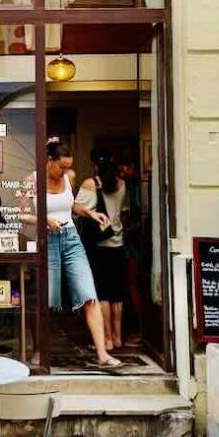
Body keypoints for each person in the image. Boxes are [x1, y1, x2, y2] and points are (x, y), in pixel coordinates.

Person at [24, 138, 119, 368]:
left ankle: (102, 354)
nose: (66, 171)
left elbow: (70, 205)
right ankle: (39, 350)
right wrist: (44, 220)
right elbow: (22, 214)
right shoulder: (31, 180)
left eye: (68, 166)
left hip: (71, 239)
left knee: (89, 294)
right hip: (48, 241)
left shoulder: (70, 177)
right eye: (62, 166)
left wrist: (89, 213)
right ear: (49, 160)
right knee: (47, 299)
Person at [75, 149, 129, 350]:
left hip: (100, 245)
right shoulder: (122, 184)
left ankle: (106, 339)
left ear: (95, 165)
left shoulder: (91, 184)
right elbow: (123, 212)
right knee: (117, 293)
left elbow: (75, 207)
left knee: (103, 293)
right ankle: (118, 336)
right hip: (119, 243)